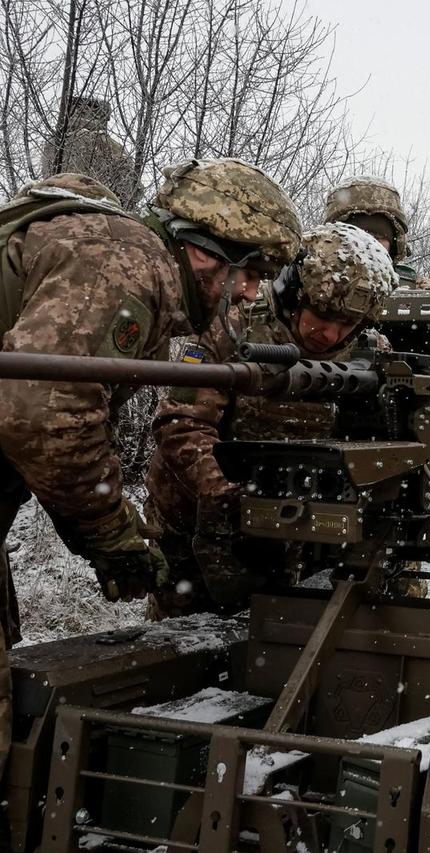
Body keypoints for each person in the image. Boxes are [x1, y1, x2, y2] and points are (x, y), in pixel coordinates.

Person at [0, 159, 299, 773]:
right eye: (250, 274)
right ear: (205, 253)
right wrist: (112, 534)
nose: (248, 294)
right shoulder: (125, 258)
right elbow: (46, 417)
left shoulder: (122, 264)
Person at [145, 222, 396, 616]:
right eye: (322, 314)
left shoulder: (369, 353)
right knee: (183, 646)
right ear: (294, 291)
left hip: (303, 535)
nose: (330, 334)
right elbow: (181, 423)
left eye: (347, 324)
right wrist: (234, 495)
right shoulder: (229, 324)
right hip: (196, 527)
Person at [324, 175, 430, 295]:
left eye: (377, 238)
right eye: (356, 237)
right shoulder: (312, 281)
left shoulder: (417, 291)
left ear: (395, 245)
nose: (368, 245)